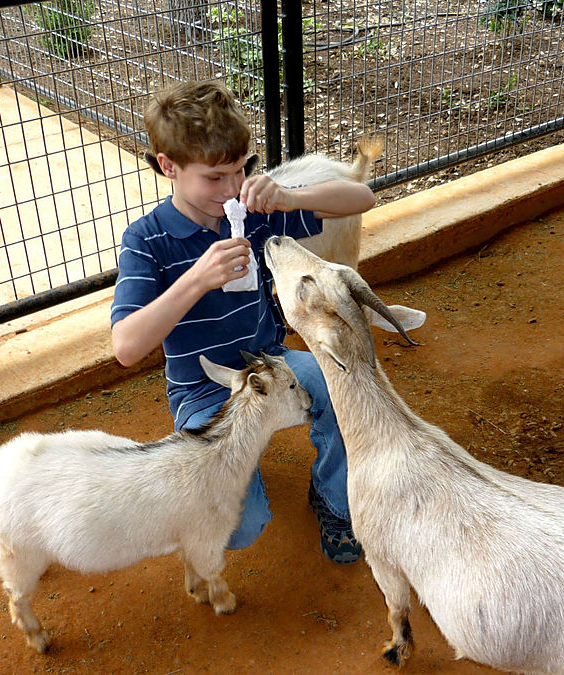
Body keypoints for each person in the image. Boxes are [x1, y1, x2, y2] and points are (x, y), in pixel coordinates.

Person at [110, 80, 376, 563]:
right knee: (240, 528)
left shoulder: (254, 213)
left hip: (270, 361)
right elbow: (126, 347)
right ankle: (234, 466)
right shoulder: (146, 241)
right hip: (205, 391)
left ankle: (334, 500)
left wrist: (289, 199)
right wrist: (196, 279)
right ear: (168, 166)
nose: (231, 188)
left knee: (345, 382)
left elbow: (363, 198)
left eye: (239, 171)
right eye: (214, 178)